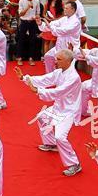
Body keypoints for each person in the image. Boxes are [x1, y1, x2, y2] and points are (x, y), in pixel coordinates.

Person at [15, 49, 83, 177]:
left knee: (60, 137)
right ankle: (51, 144)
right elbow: (44, 79)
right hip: (58, 107)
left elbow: (58, 92)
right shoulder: (59, 72)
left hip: (68, 111)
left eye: (59, 59)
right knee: (41, 117)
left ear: (68, 61)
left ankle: (74, 164)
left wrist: (38, 91)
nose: (55, 61)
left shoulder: (74, 78)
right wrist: (24, 78)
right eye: (56, 58)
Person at [39, 1, 82, 73]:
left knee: (65, 68)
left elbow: (64, 31)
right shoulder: (64, 19)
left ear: (73, 9)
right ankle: (51, 76)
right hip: (59, 46)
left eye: (66, 8)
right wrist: (41, 24)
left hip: (69, 48)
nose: (64, 10)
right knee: (48, 56)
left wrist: (51, 27)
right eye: (64, 8)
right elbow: (53, 24)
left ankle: (64, 80)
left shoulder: (76, 22)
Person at [15, 0, 41, 66]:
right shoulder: (21, 1)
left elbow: (38, 13)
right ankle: (19, 58)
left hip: (32, 22)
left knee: (33, 40)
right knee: (21, 40)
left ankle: (31, 58)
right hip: (24, 22)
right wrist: (28, 7)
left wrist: (36, 17)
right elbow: (20, 14)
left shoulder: (36, 1)